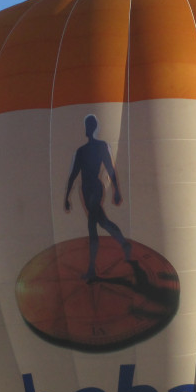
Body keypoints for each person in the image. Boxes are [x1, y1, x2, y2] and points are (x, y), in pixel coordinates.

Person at [63, 114, 132, 281]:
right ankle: (124, 244)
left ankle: (91, 269)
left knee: (92, 224)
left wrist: (116, 190)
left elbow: (110, 168)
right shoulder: (82, 151)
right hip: (86, 190)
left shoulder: (99, 147)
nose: (87, 129)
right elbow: (73, 174)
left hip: (94, 188)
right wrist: (67, 196)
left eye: (89, 126)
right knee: (103, 222)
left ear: (91, 128)